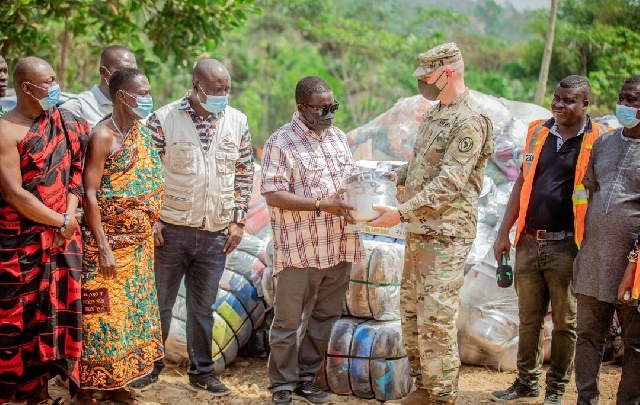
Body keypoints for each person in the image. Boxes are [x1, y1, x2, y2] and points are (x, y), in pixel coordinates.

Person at [369, 42, 494, 405]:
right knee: (411, 312)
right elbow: (420, 166)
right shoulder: (437, 113)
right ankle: (424, 388)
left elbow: (450, 183)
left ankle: (442, 397)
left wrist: (402, 213)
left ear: (447, 72)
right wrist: (386, 176)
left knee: (436, 319)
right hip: (421, 232)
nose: (423, 80)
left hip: (447, 235)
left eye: (427, 74)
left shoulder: (470, 119)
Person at [490, 76, 608, 405]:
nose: (558, 105)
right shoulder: (538, 132)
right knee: (528, 319)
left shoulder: (599, 140)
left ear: (585, 104)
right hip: (528, 241)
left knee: (565, 323)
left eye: (568, 100)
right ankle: (526, 382)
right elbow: (521, 183)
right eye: (556, 98)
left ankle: (556, 390)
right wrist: (504, 232)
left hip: (569, 246)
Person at [140, 58, 254, 395]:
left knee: (202, 308)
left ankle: (202, 371)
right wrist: (153, 217)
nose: (223, 95)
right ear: (195, 88)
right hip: (170, 229)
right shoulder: (163, 119)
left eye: (227, 88)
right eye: (216, 89)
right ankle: (150, 367)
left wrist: (238, 220)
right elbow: (144, 172)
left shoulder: (238, 121)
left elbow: (244, 173)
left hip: (215, 231)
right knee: (159, 304)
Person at [261, 75, 364, 405]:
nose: (329, 114)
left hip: (338, 242)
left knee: (324, 317)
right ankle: (281, 385)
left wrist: (360, 200)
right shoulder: (281, 142)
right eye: (321, 109)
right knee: (288, 321)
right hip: (300, 246)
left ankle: (306, 378)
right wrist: (322, 204)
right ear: (301, 108)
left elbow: (347, 182)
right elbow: (273, 193)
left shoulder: (337, 139)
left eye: (332, 106)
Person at [0, 57, 88, 404]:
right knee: (16, 323)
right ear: (26, 88)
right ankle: (13, 392)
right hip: (19, 246)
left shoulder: (65, 122)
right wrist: (60, 222)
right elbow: (14, 193)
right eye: (47, 82)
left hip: (63, 241)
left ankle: (40, 391)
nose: (55, 87)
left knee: (57, 318)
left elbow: (75, 174)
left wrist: (68, 216)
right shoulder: (5, 131)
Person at [76, 67, 164, 405]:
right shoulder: (103, 136)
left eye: (148, 92)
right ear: (121, 96)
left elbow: (149, 181)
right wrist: (103, 246)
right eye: (140, 93)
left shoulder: (142, 133)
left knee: (129, 317)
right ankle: (86, 388)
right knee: (99, 316)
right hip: (107, 247)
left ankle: (116, 385)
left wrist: (152, 219)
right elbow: (90, 192)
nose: (146, 98)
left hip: (138, 247)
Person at [573, 75, 640, 405]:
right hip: (594, 259)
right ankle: (585, 400)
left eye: (633, 101)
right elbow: (591, 193)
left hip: (633, 268)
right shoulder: (604, 143)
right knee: (586, 336)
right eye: (622, 98)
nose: (625, 106)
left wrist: (634, 261)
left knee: (636, 343)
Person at [63, 45, 137, 128]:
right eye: (123, 71)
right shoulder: (78, 107)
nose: (131, 76)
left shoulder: (137, 108)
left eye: (134, 71)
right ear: (103, 72)